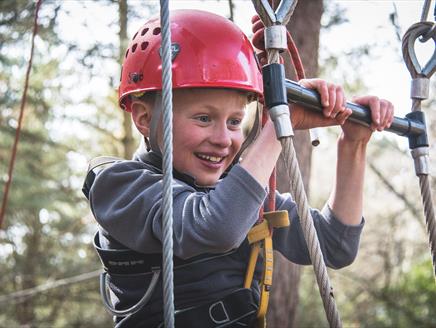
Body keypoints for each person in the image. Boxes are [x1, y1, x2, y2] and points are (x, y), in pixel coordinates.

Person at [86, 9, 394, 328]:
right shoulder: (118, 186)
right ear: (144, 118)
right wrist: (280, 124)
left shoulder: (240, 195)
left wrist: (353, 145)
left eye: (235, 121)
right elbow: (214, 226)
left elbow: (333, 245)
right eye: (204, 118)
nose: (224, 140)